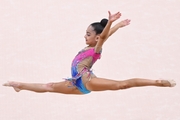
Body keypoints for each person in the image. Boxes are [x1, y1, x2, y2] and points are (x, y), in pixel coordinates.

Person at [3, 11, 176, 95]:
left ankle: (157, 82)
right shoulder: (89, 47)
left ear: (96, 37)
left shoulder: (95, 49)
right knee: (49, 87)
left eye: (88, 34)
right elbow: (105, 36)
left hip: (88, 81)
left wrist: (110, 23)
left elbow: (103, 37)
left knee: (121, 85)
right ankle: (19, 85)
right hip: (75, 82)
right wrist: (118, 26)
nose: (85, 36)